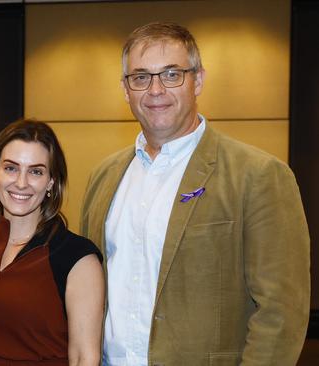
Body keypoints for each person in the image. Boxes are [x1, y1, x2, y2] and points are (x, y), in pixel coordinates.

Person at [81, 22, 310, 366]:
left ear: (198, 80)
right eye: (141, 77)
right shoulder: (104, 177)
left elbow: (281, 311)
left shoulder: (258, 175)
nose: (155, 90)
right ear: (126, 89)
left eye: (172, 74)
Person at [0, 119, 104, 365]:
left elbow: (84, 357)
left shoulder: (78, 257)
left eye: (36, 171)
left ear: (51, 181)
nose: (21, 183)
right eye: (11, 168)